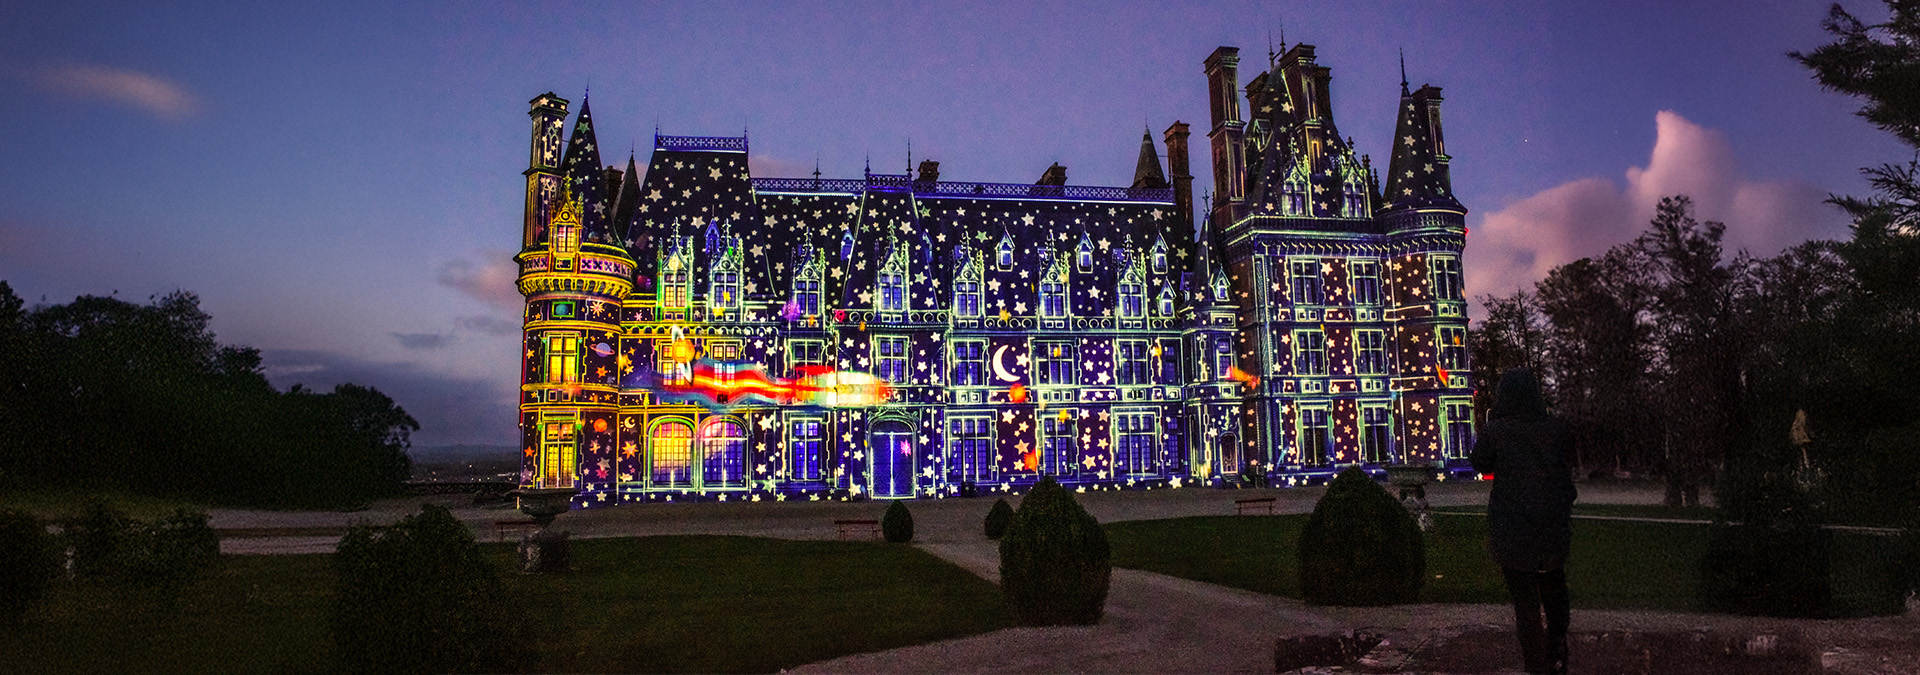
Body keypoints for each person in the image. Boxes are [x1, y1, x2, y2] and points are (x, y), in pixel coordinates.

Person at [1470, 368, 1576, 675]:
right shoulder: (1554, 428)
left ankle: (1535, 663)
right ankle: (1557, 652)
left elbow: (1480, 462)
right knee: (1555, 592)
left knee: (1526, 603)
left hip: (1514, 526)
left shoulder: (1498, 431)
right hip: (1552, 524)